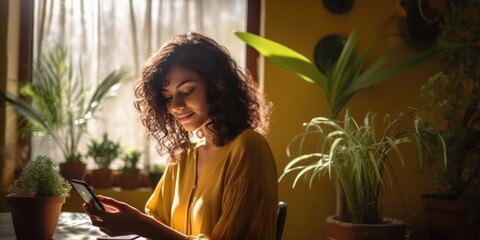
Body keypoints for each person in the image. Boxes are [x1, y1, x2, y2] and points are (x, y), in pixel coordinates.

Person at [82, 31, 279, 239]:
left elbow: (152, 228)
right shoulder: (183, 155)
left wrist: (140, 225)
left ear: (218, 86)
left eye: (187, 91)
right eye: (167, 97)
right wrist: (131, 223)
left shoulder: (248, 148)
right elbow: (157, 221)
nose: (175, 106)